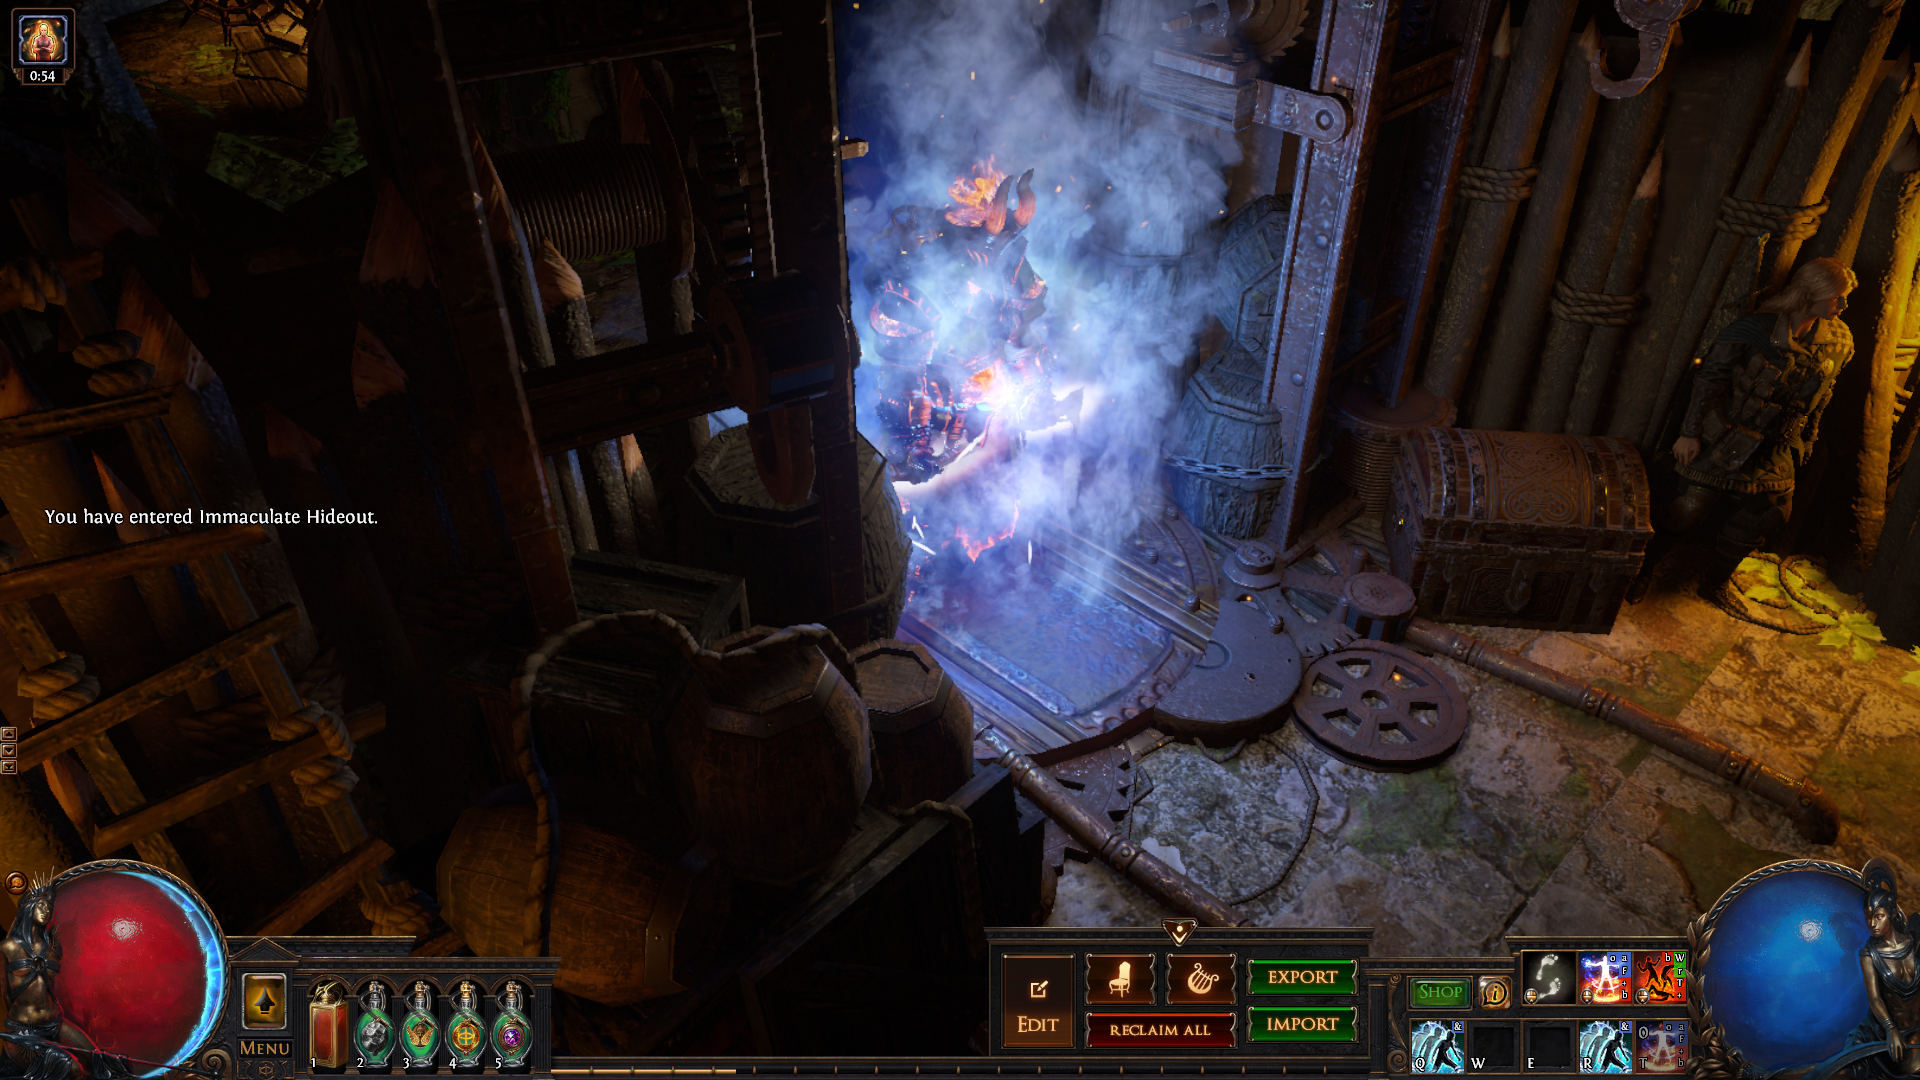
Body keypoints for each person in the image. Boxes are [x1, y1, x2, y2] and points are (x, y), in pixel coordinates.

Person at [1628, 257, 1857, 606]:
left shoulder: (1839, 341)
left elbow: (1825, 392)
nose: (1843, 305)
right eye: (1837, 297)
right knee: (1687, 509)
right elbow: (1709, 380)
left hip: (1776, 443)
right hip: (1724, 434)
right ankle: (1643, 572)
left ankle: (1716, 583)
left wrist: (1807, 438)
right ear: (1810, 294)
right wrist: (1689, 433)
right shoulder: (1752, 329)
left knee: (1767, 515)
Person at [1851, 860, 1920, 1080]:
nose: (1872, 923)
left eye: (1878, 916)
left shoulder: (1915, 943)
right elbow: (1875, 998)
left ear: (1892, 913)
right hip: (1886, 1034)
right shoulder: (1868, 954)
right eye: (1868, 916)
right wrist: (1890, 1028)